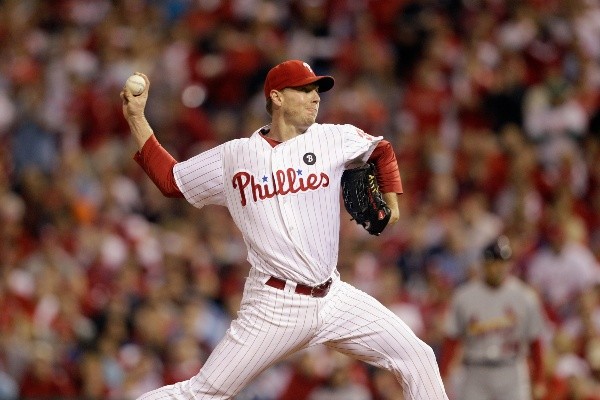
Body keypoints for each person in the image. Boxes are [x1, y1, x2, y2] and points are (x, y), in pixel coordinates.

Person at [120, 59, 448, 399]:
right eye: (304, 89)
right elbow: (172, 181)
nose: (315, 97)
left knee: (417, 356)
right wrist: (137, 119)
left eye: (317, 90)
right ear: (276, 97)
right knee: (202, 393)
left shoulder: (333, 138)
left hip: (333, 297)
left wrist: (392, 205)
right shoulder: (235, 156)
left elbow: (380, 149)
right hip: (274, 305)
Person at [439, 235, 546, 400]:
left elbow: (535, 342)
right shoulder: (464, 296)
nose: (497, 267)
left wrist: (539, 379)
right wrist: (444, 373)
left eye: (502, 262)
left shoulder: (525, 296)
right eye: (493, 262)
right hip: (475, 371)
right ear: (484, 264)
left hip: (511, 370)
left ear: (509, 264)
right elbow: (451, 340)